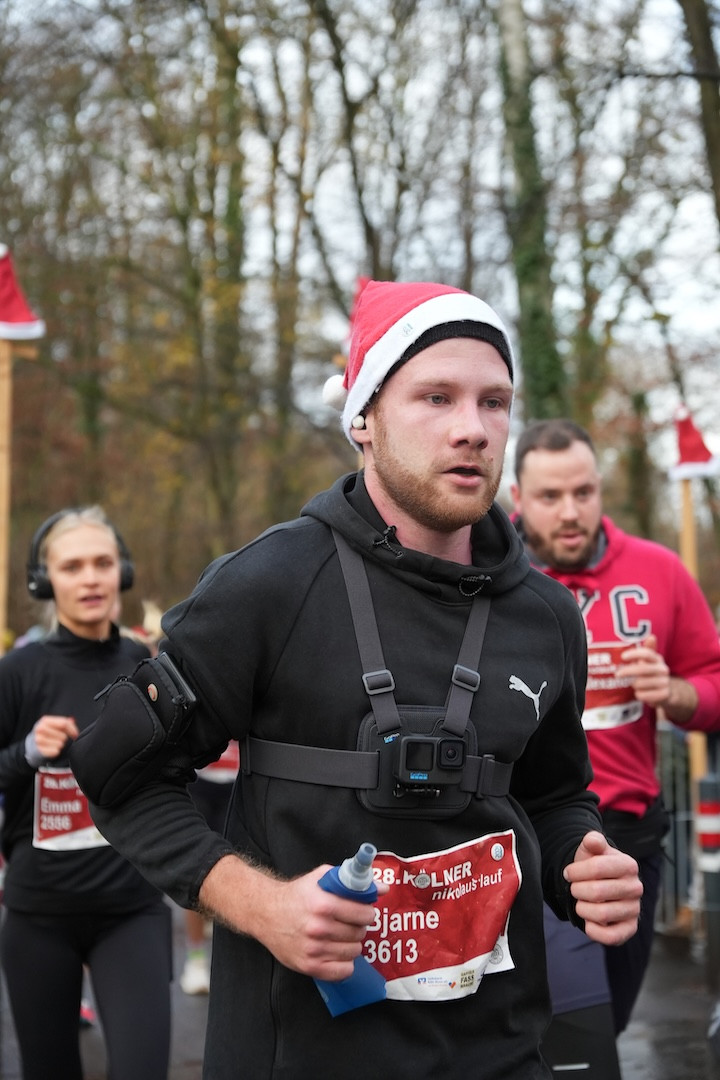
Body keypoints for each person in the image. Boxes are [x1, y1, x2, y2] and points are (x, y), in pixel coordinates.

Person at [71, 281, 641, 1080]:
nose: (472, 428)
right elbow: (116, 776)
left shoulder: (545, 615)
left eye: (493, 402)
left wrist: (581, 863)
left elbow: (553, 796)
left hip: (502, 1050)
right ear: (364, 419)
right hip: (298, 1054)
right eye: (436, 398)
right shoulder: (267, 585)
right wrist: (262, 905)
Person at [510, 418, 720, 1071]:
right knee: (563, 1040)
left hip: (628, 840)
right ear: (517, 498)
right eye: (550, 497)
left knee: (610, 1020)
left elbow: (713, 680)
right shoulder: (484, 576)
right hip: (523, 841)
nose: (570, 513)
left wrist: (675, 693)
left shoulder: (659, 571)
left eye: (583, 492)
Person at [0, 506, 173, 1080]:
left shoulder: (143, 663)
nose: (91, 578)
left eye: (103, 563)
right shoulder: (17, 672)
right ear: (44, 580)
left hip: (132, 909)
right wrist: (27, 751)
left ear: (122, 572)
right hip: (39, 916)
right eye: (72, 566)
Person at [179, 740, 240, 995]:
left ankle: (232, 968)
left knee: (238, 876)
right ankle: (195, 960)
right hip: (200, 783)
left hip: (238, 784)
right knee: (195, 873)